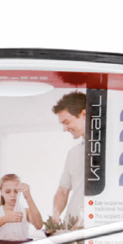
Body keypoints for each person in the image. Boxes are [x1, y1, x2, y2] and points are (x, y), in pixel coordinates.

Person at [50, 91, 86, 228]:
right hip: (71, 227)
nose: (64, 129)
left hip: (93, 226)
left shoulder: (110, 149)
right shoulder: (73, 153)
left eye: (66, 122)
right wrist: (55, 215)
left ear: (84, 114)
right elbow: (63, 191)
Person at [0, 173, 43, 244]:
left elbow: (39, 226)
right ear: (1, 191)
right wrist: (4, 219)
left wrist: (28, 197)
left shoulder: (26, 211)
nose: (12, 195)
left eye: (16, 191)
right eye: (7, 192)